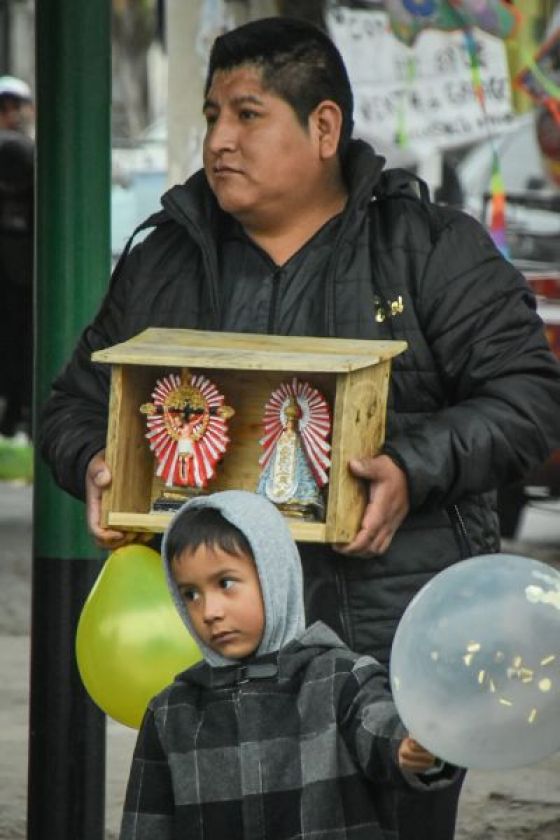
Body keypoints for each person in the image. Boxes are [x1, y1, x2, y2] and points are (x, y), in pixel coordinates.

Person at [39, 16, 560, 838]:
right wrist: (97, 461)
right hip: (211, 670)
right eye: (213, 115)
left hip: (390, 654)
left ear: (324, 127)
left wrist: (410, 466)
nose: (220, 139)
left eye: (248, 114)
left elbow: (530, 398)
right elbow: (69, 406)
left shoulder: (428, 250)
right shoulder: (165, 259)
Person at [120, 489, 458, 840]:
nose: (210, 611)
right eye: (190, 593)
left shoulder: (339, 678)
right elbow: (146, 827)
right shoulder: (171, 712)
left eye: (226, 583)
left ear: (274, 574)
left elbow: (379, 727)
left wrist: (410, 745)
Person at [0, 76, 34, 437]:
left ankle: (16, 416)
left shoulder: (26, 153)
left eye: (15, 108)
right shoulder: (23, 151)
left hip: (22, 277)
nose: (11, 116)